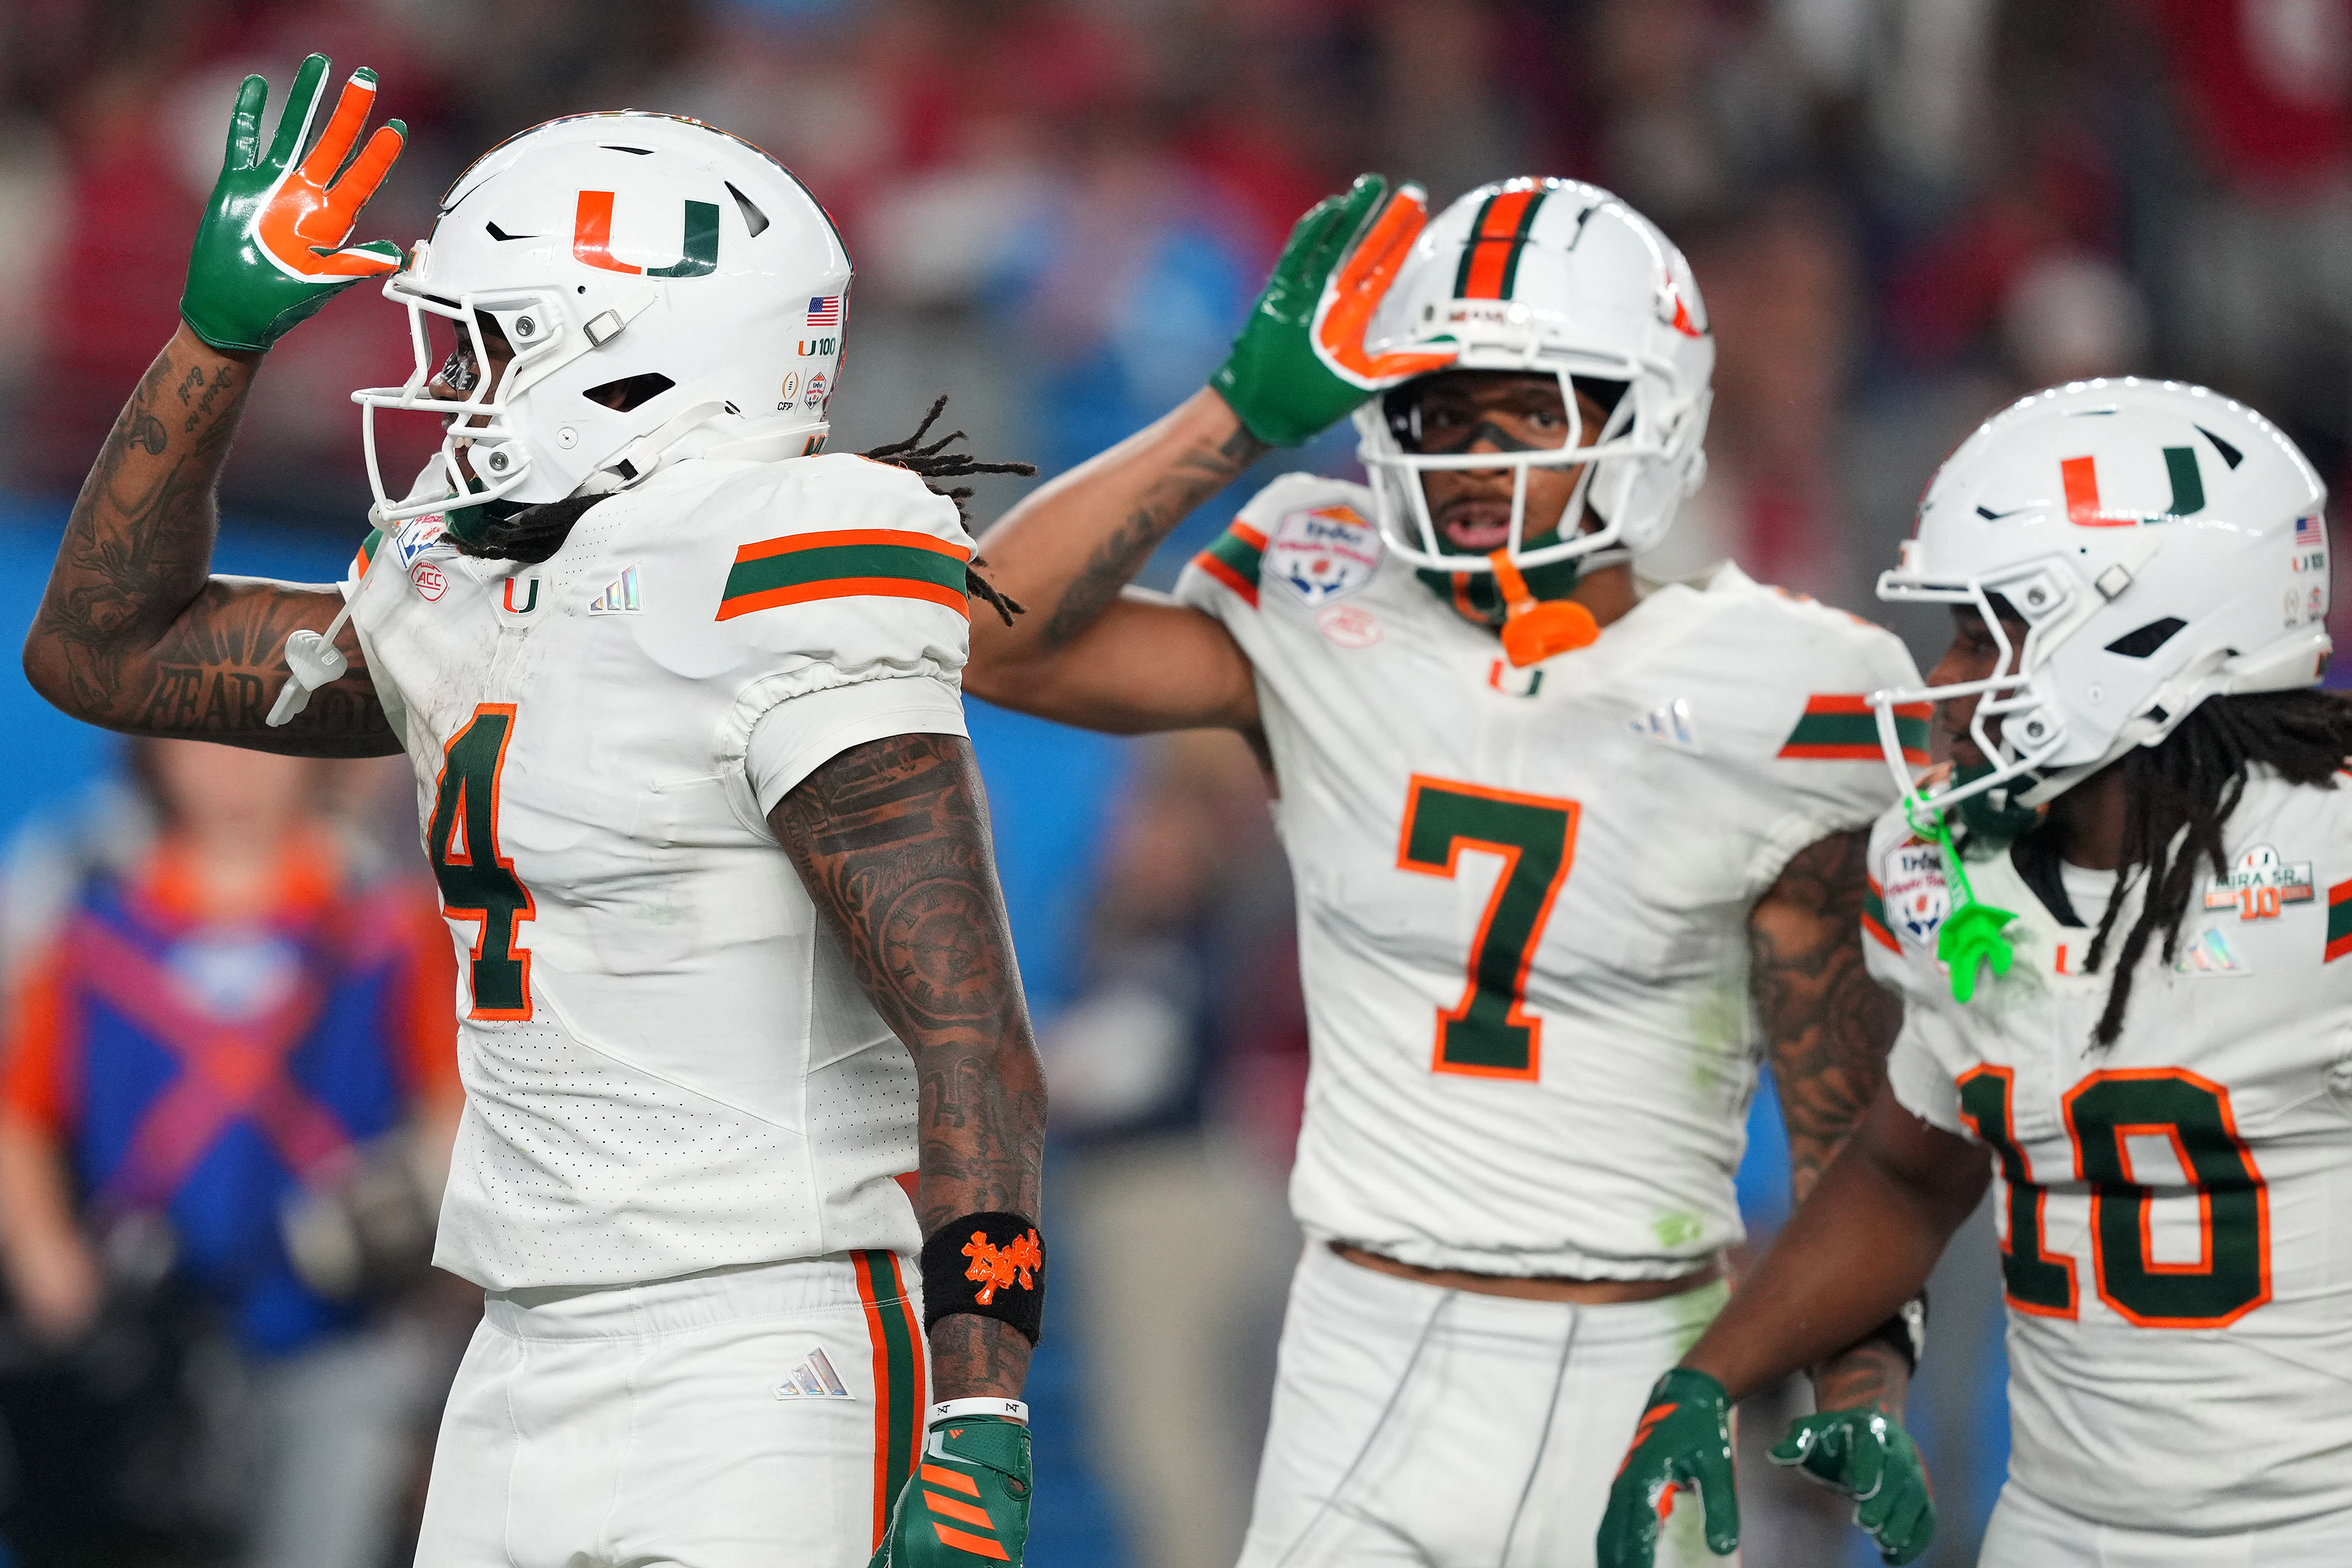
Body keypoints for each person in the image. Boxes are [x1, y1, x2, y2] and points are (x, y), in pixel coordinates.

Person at [20, 54, 1049, 1568]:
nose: (452, 383)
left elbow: (970, 1028)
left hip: (763, 1341)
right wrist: (212, 343)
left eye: (495, 343)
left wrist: (979, 1420)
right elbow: (99, 649)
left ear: (639, 355)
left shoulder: (782, 567)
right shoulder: (469, 594)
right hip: (520, 1344)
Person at [962, 173, 1927, 1566]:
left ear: (1646, 413)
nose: (1477, 456)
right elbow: (996, 637)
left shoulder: (1790, 688)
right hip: (1363, 1337)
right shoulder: (1323, 593)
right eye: (1441, 413)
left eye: (1534, 411)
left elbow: (1846, 1090)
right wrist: (1233, 412)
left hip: (1644, 1347)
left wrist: (1860, 1372)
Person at [1598, 379, 2352, 1567]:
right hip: (2057, 1531)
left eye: (1986, 631)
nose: (1944, 676)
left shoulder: (2329, 856)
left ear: (2140, 632)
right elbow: (1909, 1175)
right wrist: (1703, 1381)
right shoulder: (1950, 870)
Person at [0, 739, 459, 1568]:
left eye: (259, 740)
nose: (232, 767)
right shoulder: (92, 930)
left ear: (310, 756)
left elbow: (453, 1105)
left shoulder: (387, 924)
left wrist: (402, 1210)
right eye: (199, 742)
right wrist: (48, 1263)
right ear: (153, 759)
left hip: (338, 1335)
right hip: (146, 1351)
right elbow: (23, 1115)